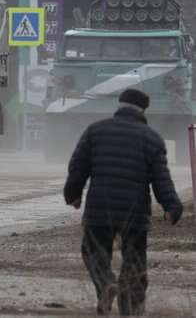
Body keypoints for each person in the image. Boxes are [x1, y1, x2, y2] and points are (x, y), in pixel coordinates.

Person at [64, 88, 183, 316]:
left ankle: (106, 284)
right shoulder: (152, 139)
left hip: (99, 209)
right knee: (135, 262)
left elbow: (77, 167)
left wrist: (73, 195)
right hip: (135, 214)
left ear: (119, 106)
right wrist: (172, 208)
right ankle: (131, 311)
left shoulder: (95, 131)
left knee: (94, 253)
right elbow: (162, 180)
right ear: (143, 110)